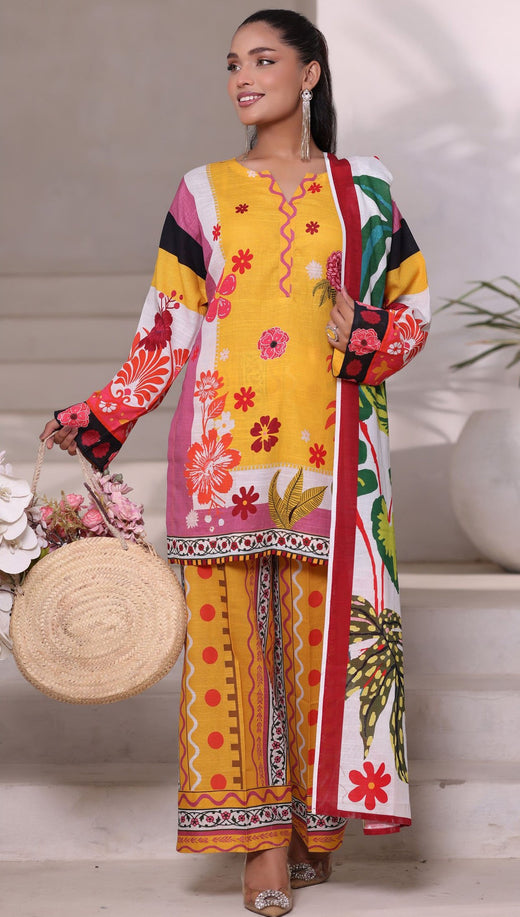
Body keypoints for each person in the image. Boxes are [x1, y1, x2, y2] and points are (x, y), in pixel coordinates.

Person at [41, 9, 430, 916]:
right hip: (219, 457)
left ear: (311, 73)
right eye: (231, 64)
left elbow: (411, 306)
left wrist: (365, 330)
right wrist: (103, 412)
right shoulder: (202, 191)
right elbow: (167, 326)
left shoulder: (362, 189)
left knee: (314, 650)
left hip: (330, 457)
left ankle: (309, 829)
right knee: (231, 655)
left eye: (263, 60)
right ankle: (256, 844)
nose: (242, 78)